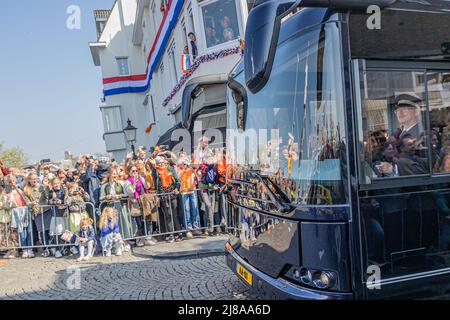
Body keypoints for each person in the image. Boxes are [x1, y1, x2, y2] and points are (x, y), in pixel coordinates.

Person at [152, 156, 182, 242]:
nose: (162, 164)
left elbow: (177, 181)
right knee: (168, 215)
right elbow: (153, 171)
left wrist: (176, 188)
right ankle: (171, 234)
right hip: (163, 196)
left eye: (163, 162)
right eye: (160, 163)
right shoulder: (156, 172)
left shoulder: (170, 170)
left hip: (172, 194)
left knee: (175, 214)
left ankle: (179, 233)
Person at [2, 174, 33, 258]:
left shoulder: (19, 189)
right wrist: (8, 199)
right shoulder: (6, 192)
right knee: (19, 233)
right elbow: (5, 206)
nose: (11, 184)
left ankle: (29, 249)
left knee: (28, 231)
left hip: (24, 213)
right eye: (8, 182)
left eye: (12, 181)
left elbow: (26, 199)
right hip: (14, 215)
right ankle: (23, 250)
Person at [23, 173, 52, 257]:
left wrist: (46, 187)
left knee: (49, 231)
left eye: (36, 178)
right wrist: (32, 203)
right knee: (42, 232)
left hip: (46, 211)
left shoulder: (43, 186)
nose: (34, 180)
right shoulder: (26, 189)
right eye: (32, 179)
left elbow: (47, 197)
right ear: (29, 180)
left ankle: (52, 248)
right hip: (37, 213)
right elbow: (27, 202)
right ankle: (46, 248)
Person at [177, 158, 200, 238]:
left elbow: (197, 176)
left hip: (192, 190)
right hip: (184, 192)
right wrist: (184, 169)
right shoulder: (179, 169)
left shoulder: (191, 169)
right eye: (183, 163)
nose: (184, 164)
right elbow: (178, 177)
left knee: (194, 208)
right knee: (186, 210)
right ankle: (188, 228)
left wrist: (192, 169)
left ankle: (195, 226)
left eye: (185, 162)